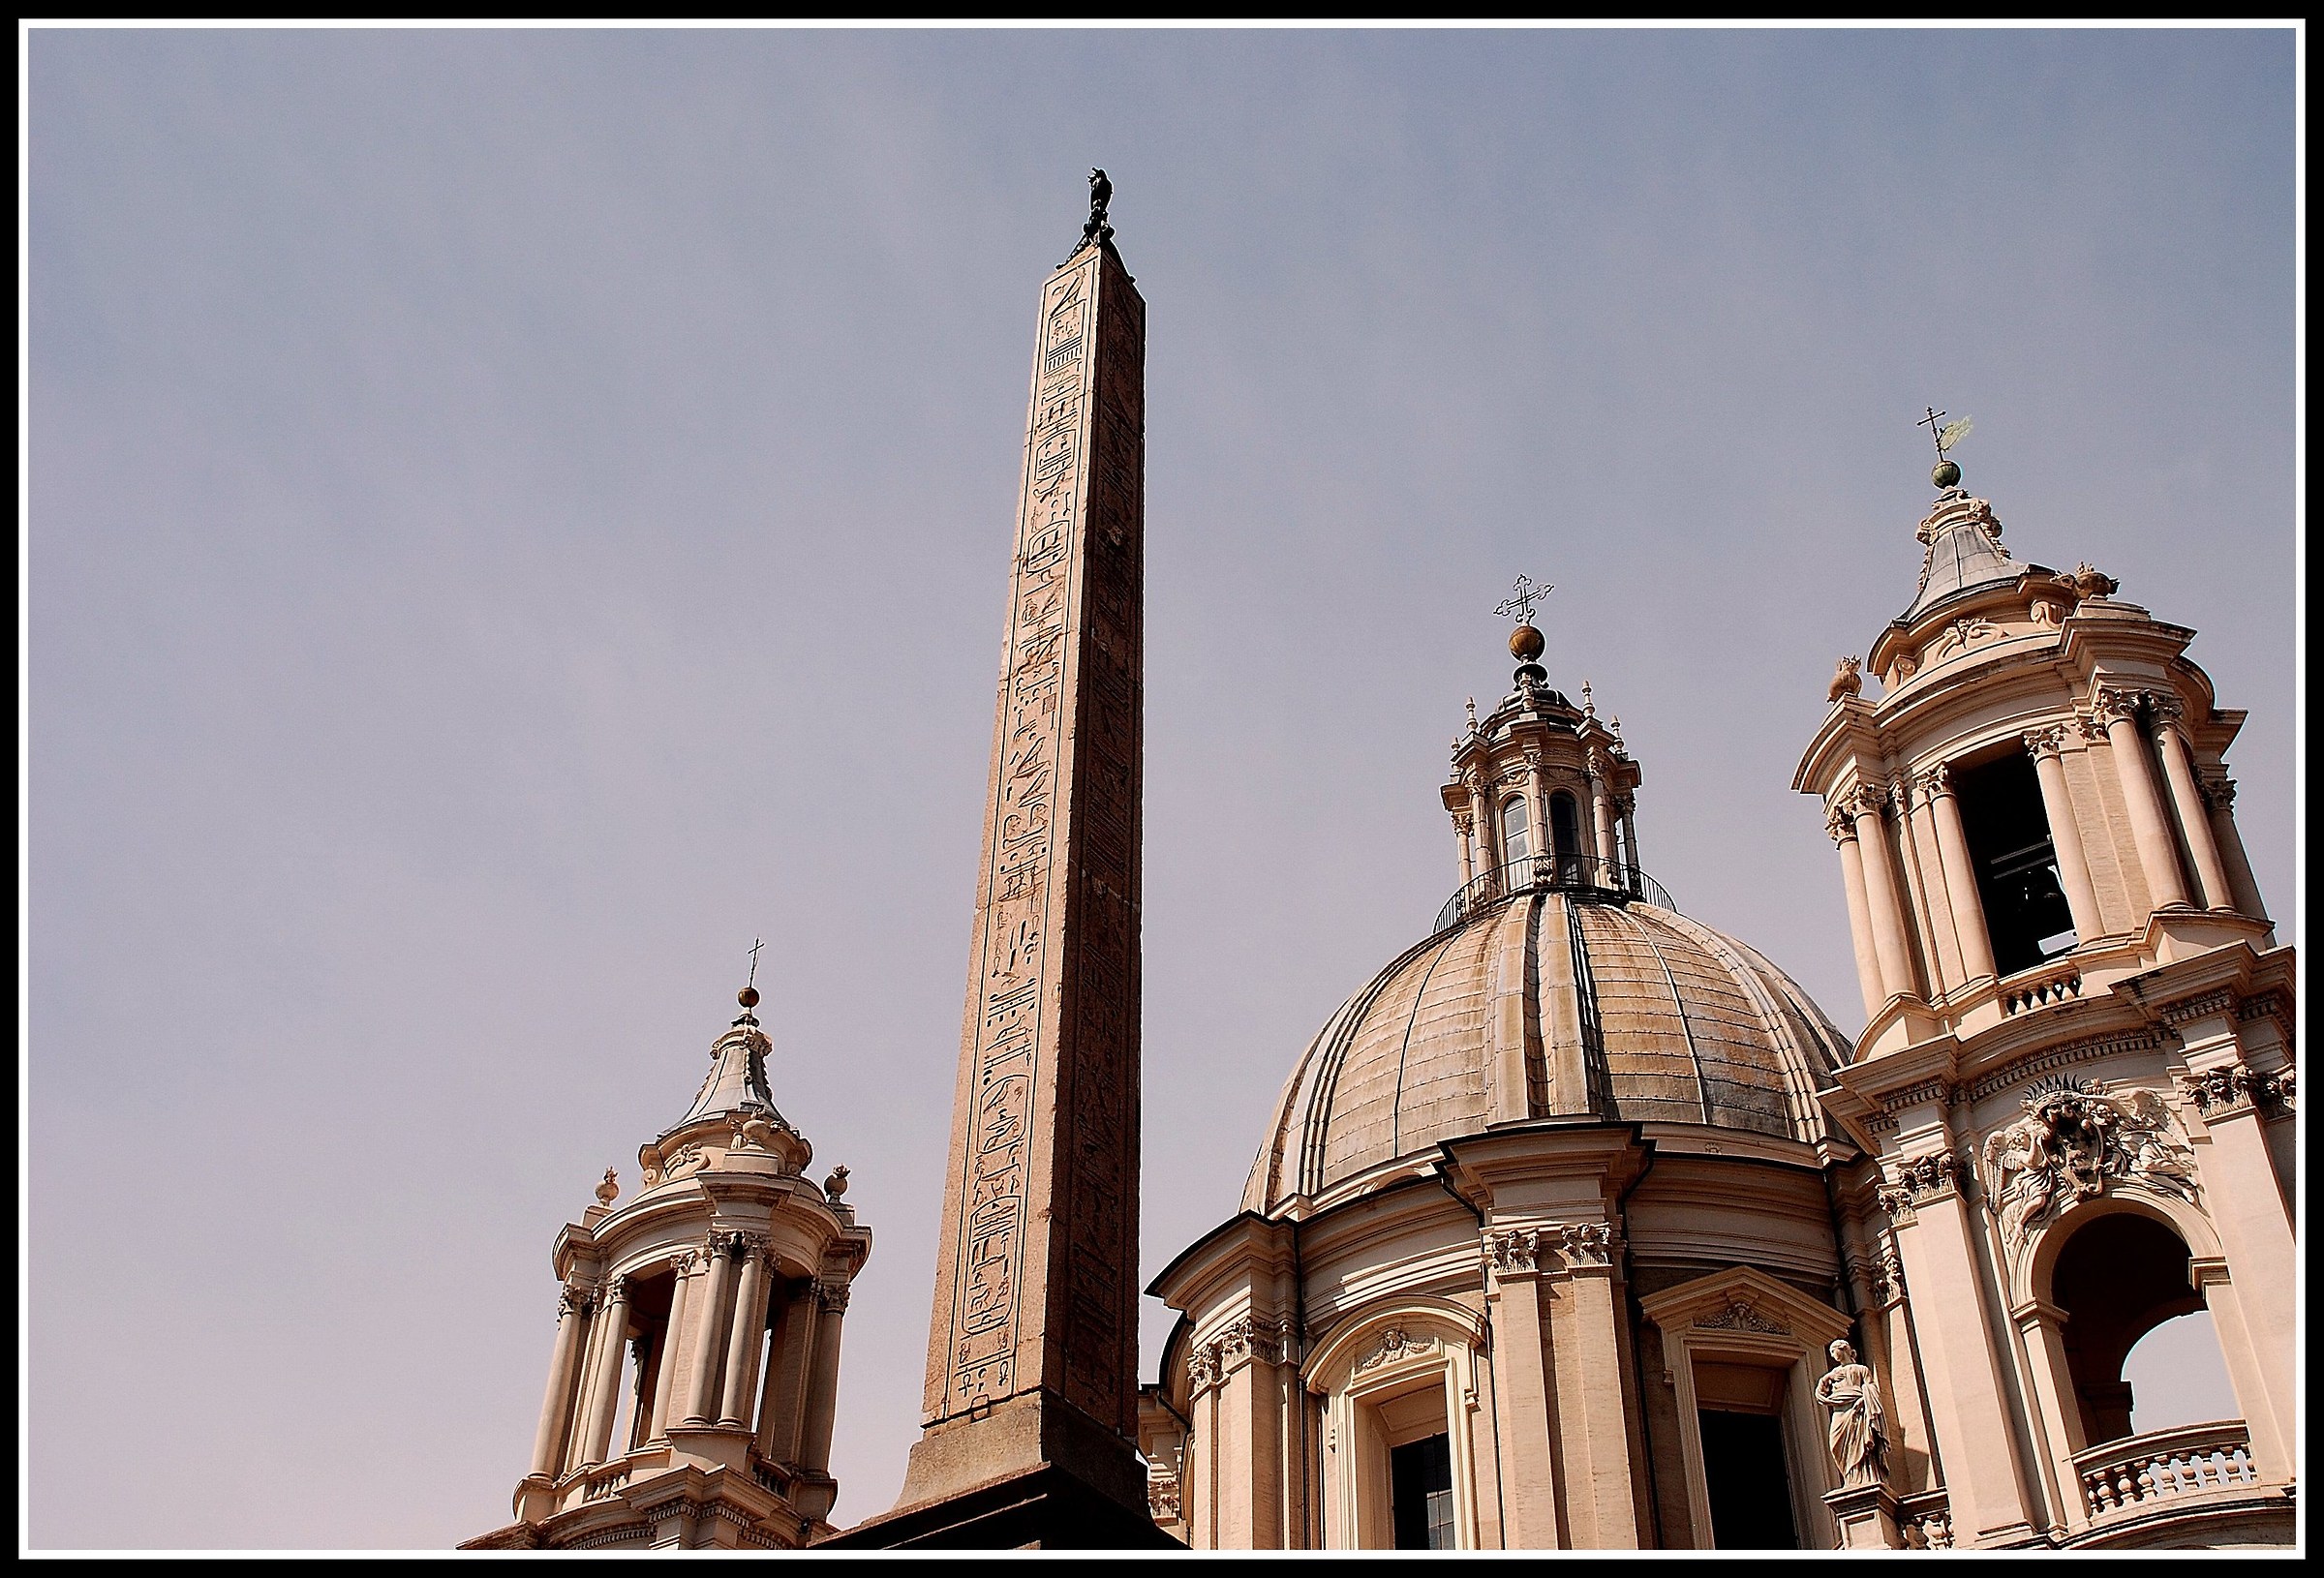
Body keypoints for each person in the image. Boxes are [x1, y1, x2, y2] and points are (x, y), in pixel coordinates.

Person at [1815, 1338, 1887, 1487]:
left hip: (1857, 1410)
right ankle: (1848, 1477)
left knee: (1860, 1443)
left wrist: (1862, 1400)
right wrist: (1826, 1378)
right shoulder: (1834, 1373)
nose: (1832, 1355)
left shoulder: (1861, 1369)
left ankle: (1862, 1478)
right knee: (1835, 1444)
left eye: (1833, 1351)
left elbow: (1871, 1388)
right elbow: (1820, 1395)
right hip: (1839, 1413)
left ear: (1843, 1349)